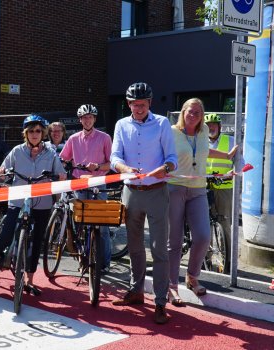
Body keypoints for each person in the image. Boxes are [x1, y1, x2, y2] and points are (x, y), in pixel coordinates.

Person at [109, 82, 177, 325]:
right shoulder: (121, 124)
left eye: (142, 104)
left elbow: (172, 158)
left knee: (159, 249)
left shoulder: (162, 123)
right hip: (131, 192)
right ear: (128, 104)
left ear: (150, 103)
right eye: (134, 104)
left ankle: (160, 302)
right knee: (134, 246)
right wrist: (124, 168)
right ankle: (136, 291)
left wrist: (165, 168)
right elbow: (114, 157)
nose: (138, 108)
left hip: (157, 192)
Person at [0, 115, 66, 296]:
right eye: (31, 131)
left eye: (38, 131)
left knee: (37, 241)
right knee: (7, 234)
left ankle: (29, 280)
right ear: (26, 134)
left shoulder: (51, 153)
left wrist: (61, 176)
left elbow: (60, 172)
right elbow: (3, 170)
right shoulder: (17, 151)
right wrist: (1, 171)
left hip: (42, 203)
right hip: (18, 200)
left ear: (43, 133)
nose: (34, 134)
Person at [167, 99, 236, 306]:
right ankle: (171, 287)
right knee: (175, 242)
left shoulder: (204, 130)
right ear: (183, 112)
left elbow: (204, 151)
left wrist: (227, 155)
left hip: (198, 189)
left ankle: (192, 276)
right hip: (174, 189)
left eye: (198, 112)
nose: (194, 115)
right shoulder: (172, 132)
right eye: (191, 111)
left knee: (204, 237)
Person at [59, 104, 113, 272]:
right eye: (84, 117)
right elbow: (63, 158)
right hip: (79, 183)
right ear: (80, 120)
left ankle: (104, 263)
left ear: (94, 119)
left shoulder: (104, 138)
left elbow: (111, 163)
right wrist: (62, 167)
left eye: (90, 117)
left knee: (101, 226)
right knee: (80, 223)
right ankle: (83, 256)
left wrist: (97, 166)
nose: (87, 120)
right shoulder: (73, 138)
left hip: (97, 184)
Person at [205, 113, 242, 255]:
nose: (211, 127)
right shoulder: (200, 141)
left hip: (224, 188)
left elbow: (240, 161)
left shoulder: (230, 141)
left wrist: (235, 173)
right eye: (208, 125)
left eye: (214, 124)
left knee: (224, 222)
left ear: (220, 127)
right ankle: (205, 258)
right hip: (204, 186)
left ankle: (227, 258)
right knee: (204, 224)